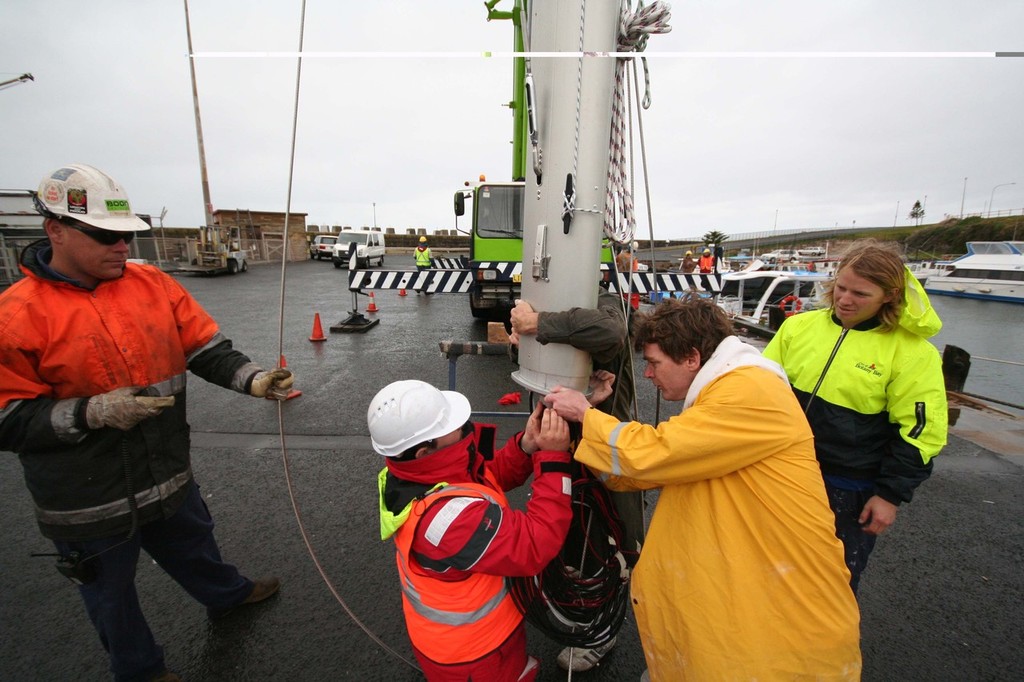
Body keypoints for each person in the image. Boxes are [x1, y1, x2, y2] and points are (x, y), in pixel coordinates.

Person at [0, 164, 295, 682]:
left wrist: (252, 379)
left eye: (127, 236)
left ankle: (226, 596)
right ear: (56, 230)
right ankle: (140, 671)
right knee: (109, 595)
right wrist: (89, 412)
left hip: (166, 471)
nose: (122, 248)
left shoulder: (151, 283)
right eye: (106, 236)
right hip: (88, 498)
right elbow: (6, 418)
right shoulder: (15, 316)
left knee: (193, 542)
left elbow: (205, 348)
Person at [543, 296, 861, 681]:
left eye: (654, 363)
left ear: (692, 358)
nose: (647, 375)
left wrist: (585, 415)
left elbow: (658, 454)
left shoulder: (750, 392)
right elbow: (653, 465)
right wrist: (591, 422)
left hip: (778, 624)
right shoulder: (730, 389)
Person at [763, 239, 948, 594]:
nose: (845, 300)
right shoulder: (797, 328)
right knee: (770, 565)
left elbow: (921, 432)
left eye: (861, 294)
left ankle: (823, 648)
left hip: (848, 485)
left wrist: (890, 495)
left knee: (831, 581)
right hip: (783, 470)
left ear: (890, 295)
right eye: (841, 288)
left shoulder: (913, 353)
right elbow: (760, 389)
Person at [370, 380, 572, 681]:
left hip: (462, 645)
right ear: (424, 450)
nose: (464, 425)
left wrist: (526, 446)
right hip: (475, 656)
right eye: (452, 425)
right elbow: (534, 544)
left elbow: (483, 477)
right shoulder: (447, 521)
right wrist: (554, 459)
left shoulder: (416, 473)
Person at [509, 290, 642, 673]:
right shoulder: (540, 301)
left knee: (607, 542)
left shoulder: (602, 301)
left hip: (605, 450)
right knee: (566, 537)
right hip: (559, 447)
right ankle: (574, 609)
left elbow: (611, 333)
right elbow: (531, 371)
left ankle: (600, 632)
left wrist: (539, 323)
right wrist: (522, 344)